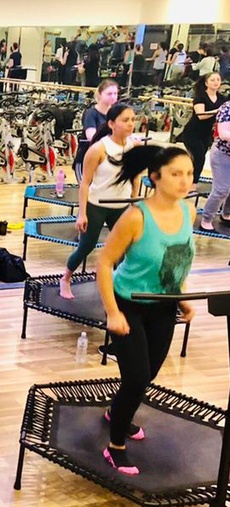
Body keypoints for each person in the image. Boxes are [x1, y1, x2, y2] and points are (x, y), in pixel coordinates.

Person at [96, 145, 196, 475]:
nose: (184, 181)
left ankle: (116, 413)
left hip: (163, 306)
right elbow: (104, 263)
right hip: (129, 304)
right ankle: (115, 447)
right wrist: (113, 312)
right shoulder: (136, 217)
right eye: (176, 174)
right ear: (155, 177)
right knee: (137, 378)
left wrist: (181, 297)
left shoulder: (189, 213)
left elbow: (176, 261)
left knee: (147, 375)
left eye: (189, 174)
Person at [59, 104, 138, 299]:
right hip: (96, 206)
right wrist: (82, 213)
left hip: (121, 206)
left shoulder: (134, 147)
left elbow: (136, 177)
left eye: (132, 120)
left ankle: (118, 284)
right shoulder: (98, 149)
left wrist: (134, 204)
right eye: (125, 120)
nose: (130, 124)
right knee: (86, 246)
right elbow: (85, 183)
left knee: (124, 247)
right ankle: (65, 279)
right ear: (111, 124)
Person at [181, 72, 226, 184]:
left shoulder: (221, 99)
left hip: (206, 134)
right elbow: (201, 115)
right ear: (206, 83)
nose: (216, 82)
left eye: (218, 80)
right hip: (192, 133)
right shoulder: (200, 97)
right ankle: (192, 184)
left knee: (198, 159)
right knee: (199, 157)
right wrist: (217, 111)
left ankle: (188, 179)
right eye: (212, 80)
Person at [73, 80, 119, 181]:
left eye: (115, 93)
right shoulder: (91, 114)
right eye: (109, 94)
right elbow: (92, 137)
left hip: (108, 161)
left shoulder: (116, 114)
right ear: (100, 94)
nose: (113, 96)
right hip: (87, 160)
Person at [200, 99, 230, 231]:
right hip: (222, 154)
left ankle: (227, 214)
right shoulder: (227, 108)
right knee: (221, 190)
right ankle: (206, 220)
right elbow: (223, 134)